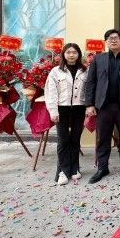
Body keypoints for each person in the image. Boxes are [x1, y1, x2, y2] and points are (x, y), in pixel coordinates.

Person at [84, 29, 120, 184]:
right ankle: (102, 168)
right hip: (103, 106)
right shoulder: (98, 59)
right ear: (106, 42)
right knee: (103, 138)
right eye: (109, 38)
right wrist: (89, 104)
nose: (113, 40)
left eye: (116, 38)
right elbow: (91, 82)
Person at [45, 43, 88, 185]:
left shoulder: (85, 71)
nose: (71, 55)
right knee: (63, 140)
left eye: (74, 52)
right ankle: (62, 171)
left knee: (75, 139)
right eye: (68, 52)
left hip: (79, 108)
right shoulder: (56, 71)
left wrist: (89, 107)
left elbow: (88, 91)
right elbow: (51, 93)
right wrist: (53, 111)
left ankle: (74, 169)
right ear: (63, 54)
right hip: (62, 109)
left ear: (78, 54)